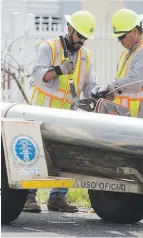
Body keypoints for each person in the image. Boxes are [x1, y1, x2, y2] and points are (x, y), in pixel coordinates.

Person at [92, 8, 143, 226]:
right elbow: (124, 86)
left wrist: (108, 87)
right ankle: (142, 205)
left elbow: (135, 81)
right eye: (117, 37)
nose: (120, 41)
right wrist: (106, 92)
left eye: (122, 36)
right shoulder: (130, 51)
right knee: (141, 164)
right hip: (137, 117)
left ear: (135, 30)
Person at [24, 10, 98, 213]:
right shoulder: (49, 47)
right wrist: (58, 70)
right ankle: (29, 197)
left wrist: (99, 94)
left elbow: (90, 86)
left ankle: (58, 197)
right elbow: (39, 76)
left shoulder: (85, 56)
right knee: (36, 156)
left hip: (67, 116)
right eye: (79, 35)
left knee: (65, 156)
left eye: (85, 37)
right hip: (43, 113)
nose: (81, 40)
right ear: (69, 29)